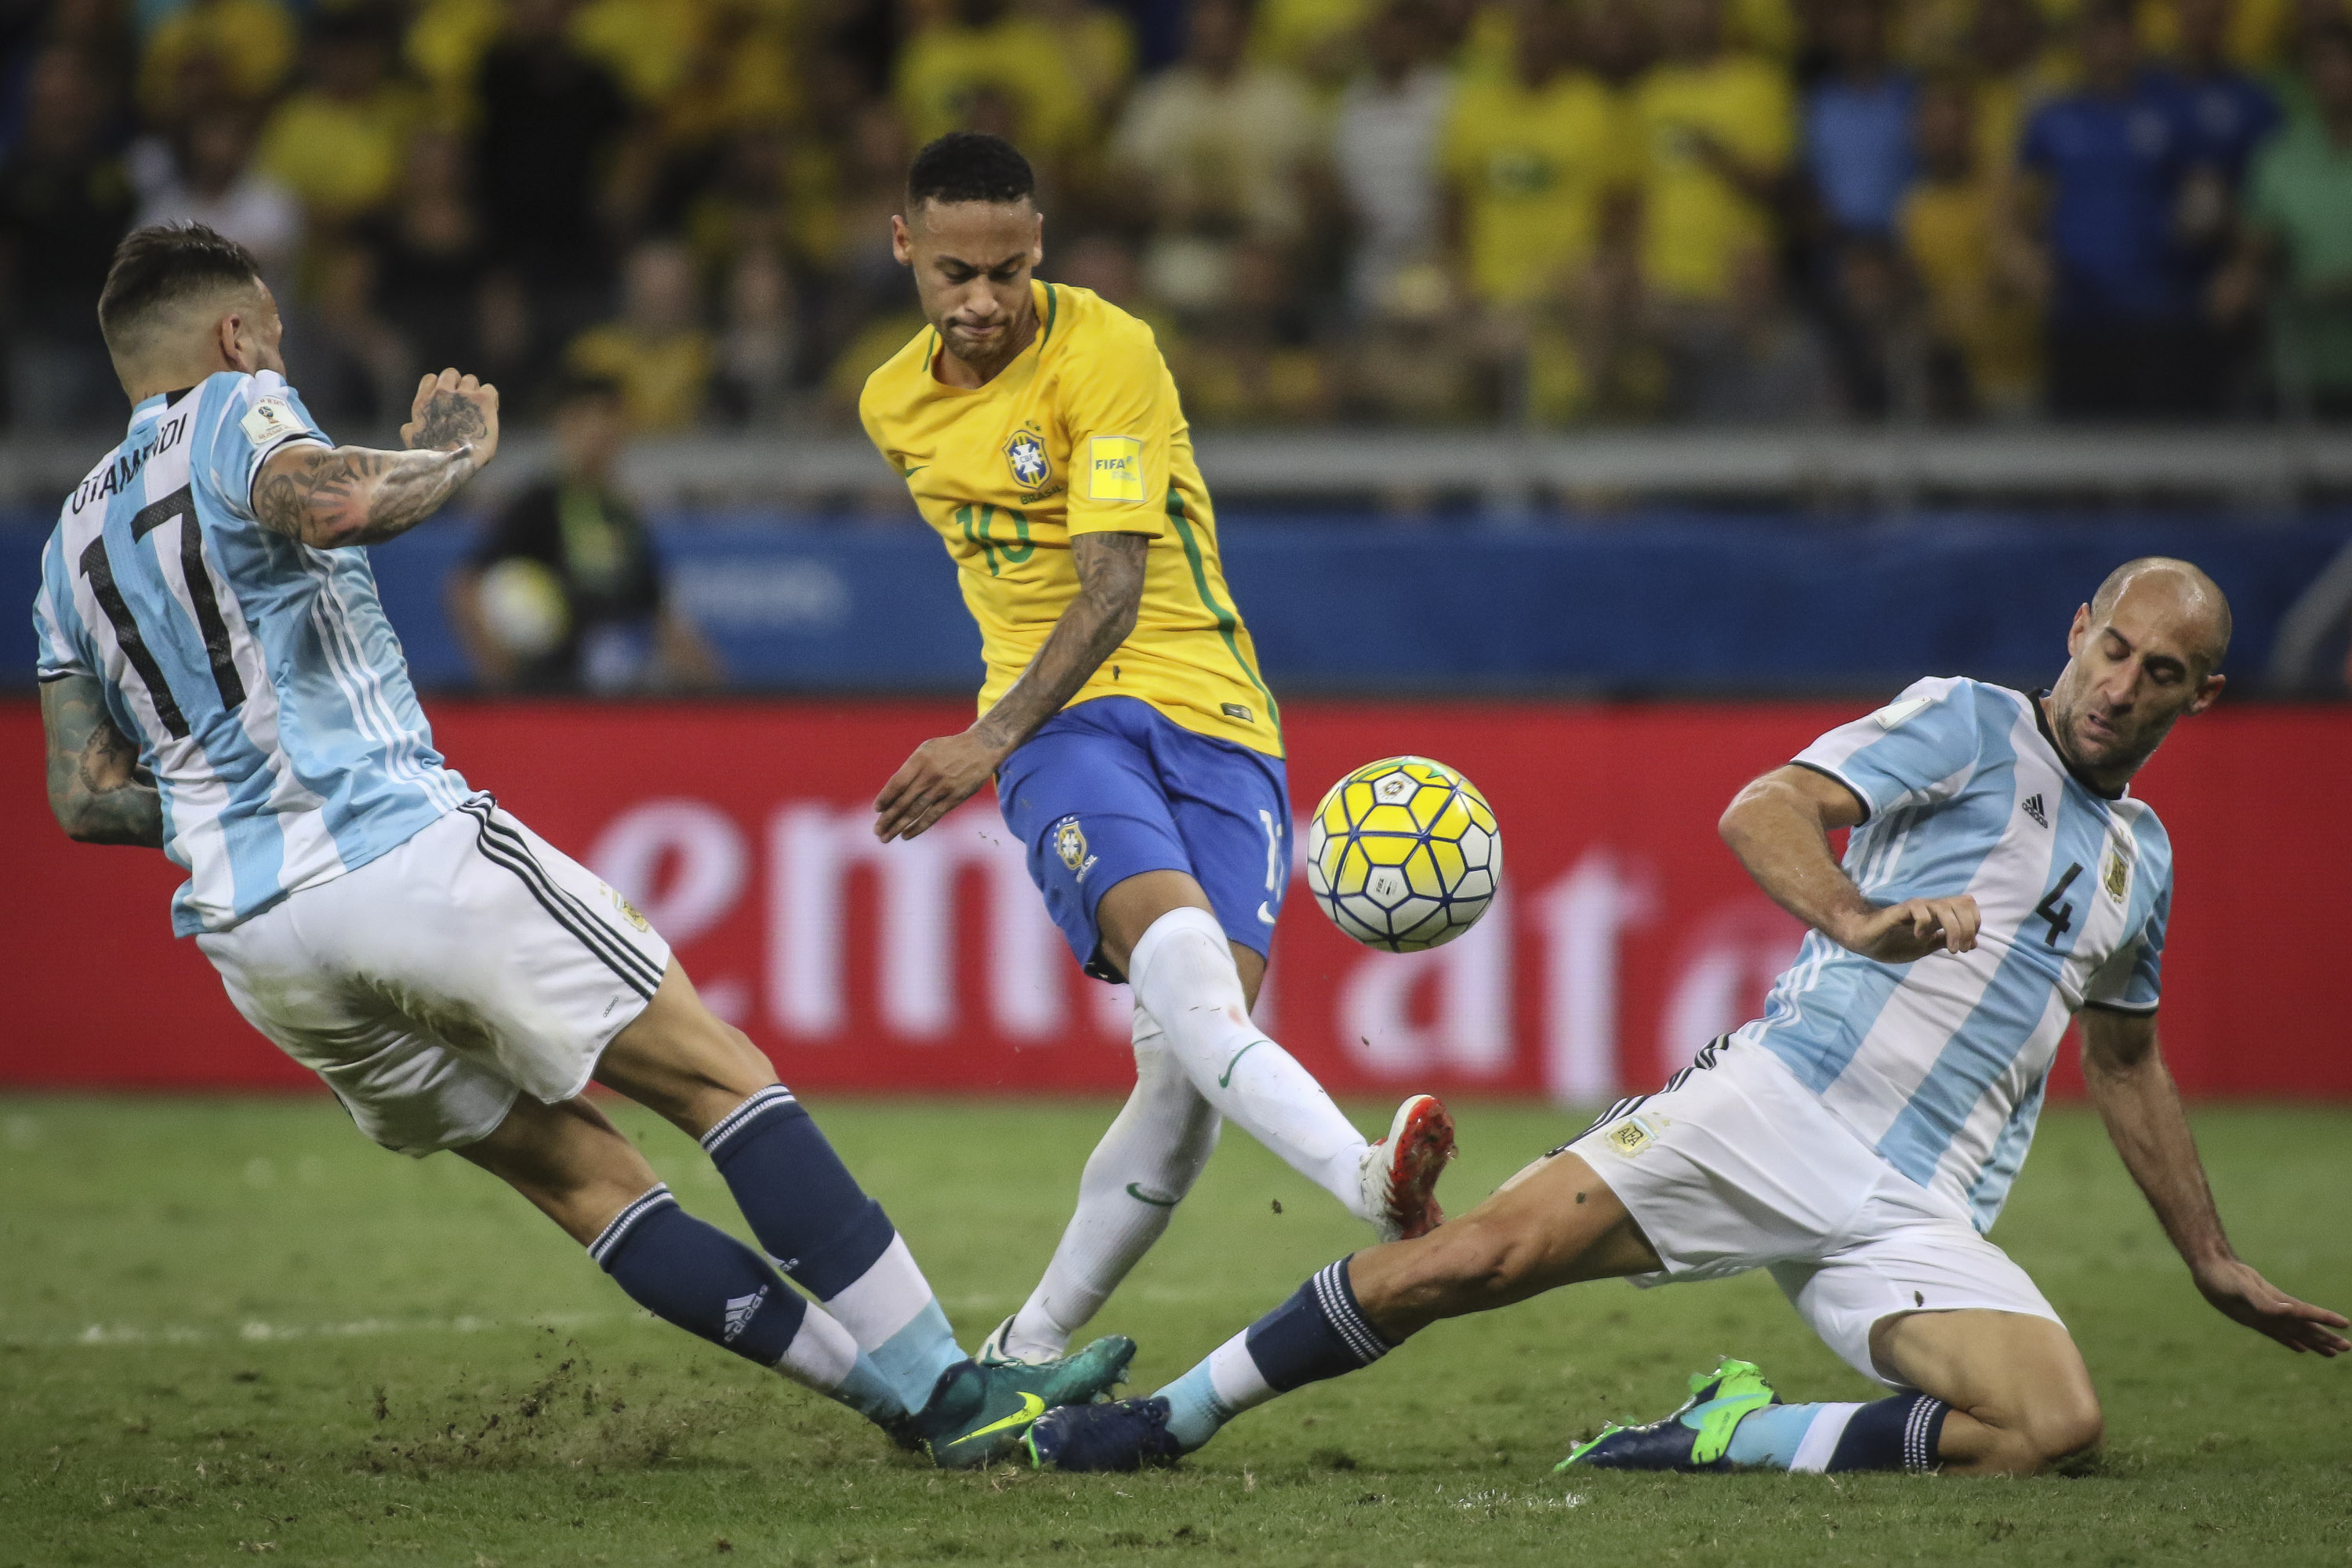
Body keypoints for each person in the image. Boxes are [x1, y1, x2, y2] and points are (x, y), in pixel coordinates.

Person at [33, 223, 1130, 1472]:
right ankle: (959, 1395)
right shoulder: (236, 408)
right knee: (716, 1077)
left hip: (258, 942)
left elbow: (82, 794)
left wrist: (225, 808)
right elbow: (336, 500)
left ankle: (909, 1407)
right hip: (396, 854)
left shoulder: (66, 547)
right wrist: (456, 449)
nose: (279, 356)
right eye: (274, 334)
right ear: (234, 335)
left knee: (582, 1179)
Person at [1027, 557, 2349, 1478]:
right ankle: (1169, 1419)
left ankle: (1730, 1434)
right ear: (2078, 629)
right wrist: (1859, 918)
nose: (2121, 684)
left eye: (2161, 672)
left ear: (2200, 696)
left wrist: (2211, 1259)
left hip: (1922, 1210)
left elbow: (2129, 1064)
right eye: (2113, 648)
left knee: (2052, 1429)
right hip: (1773, 1110)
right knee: (1470, 1261)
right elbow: (1762, 807)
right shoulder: (1971, 726)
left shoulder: (2143, 861)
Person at [856, 134, 1456, 1370]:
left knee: (1184, 1085)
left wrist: (977, 744)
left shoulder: (1110, 350)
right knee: (1180, 958)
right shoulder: (889, 403)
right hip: (1063, 727)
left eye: (1010, 270)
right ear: (904, 245)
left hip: (1219, 717)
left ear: (1040, 245)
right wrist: (1007, 738)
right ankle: (1368, 1180)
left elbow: (1115, 590)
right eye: (957, 273)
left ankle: (1021, 1354)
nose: (984, 301)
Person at [447, 369, 723, 695]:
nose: (598, 431)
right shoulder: (537, 505)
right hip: (551, 695)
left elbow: (660, 615)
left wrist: (720, 694)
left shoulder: (624, 516)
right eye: (586, 418)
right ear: (564, 425)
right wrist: (504, 686)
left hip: (616, 695)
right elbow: (465, 590)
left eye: (609, 418)